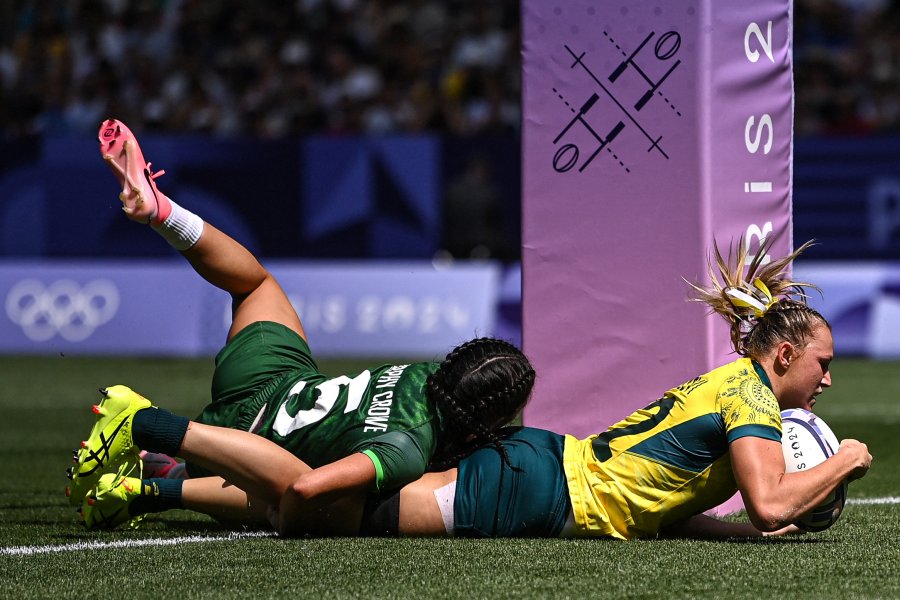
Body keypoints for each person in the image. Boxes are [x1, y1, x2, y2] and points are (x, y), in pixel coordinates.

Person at [73, 237, 872, 538]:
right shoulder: (753, 401)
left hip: (547, 470)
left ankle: (147, 489)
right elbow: (771, 502)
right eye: (823, 363)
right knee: (317, 509)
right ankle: (150, 430)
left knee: (329, 505)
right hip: (530, 492)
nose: (829, 379)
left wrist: (738, 532)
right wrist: (844, 463)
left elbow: (664, 507)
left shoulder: (736, 385)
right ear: (786, 352)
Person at [66, 119, 536, 527]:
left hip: (273, 379)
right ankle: (148, 429)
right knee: (318, 498)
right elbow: (304, 488)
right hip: (250, 444)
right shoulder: (409, 450)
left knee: (256, 287)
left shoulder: (423, 374)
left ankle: (163, 213)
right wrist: (291, 522)